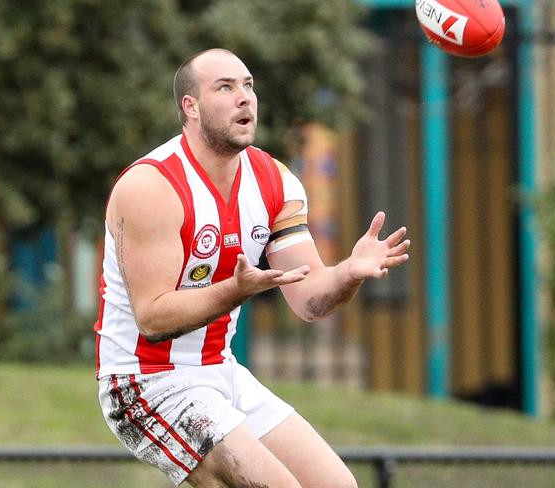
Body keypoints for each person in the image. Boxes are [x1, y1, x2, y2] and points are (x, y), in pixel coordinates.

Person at [95, 48, 410, 488]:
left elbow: (310, 303)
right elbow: (152, 318)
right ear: (190, 107)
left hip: (220, 373)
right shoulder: (150, 187)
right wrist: (235, 290)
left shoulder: (275, 180)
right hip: (146, 383)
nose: (245, 98)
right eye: (224, 87)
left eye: (248, 85)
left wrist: (348, 272)